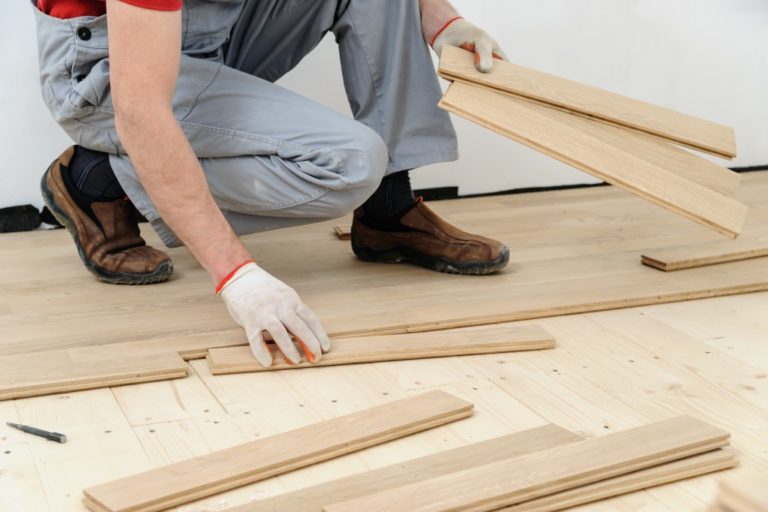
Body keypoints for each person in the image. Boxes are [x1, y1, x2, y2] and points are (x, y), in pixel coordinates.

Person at [33, 0, 509, 368]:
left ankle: (389, 208)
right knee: (349, 163)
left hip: (209, 27)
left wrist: (443, 22)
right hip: (107, 63)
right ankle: (95, 180)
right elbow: (141, 110)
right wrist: (236, 275)